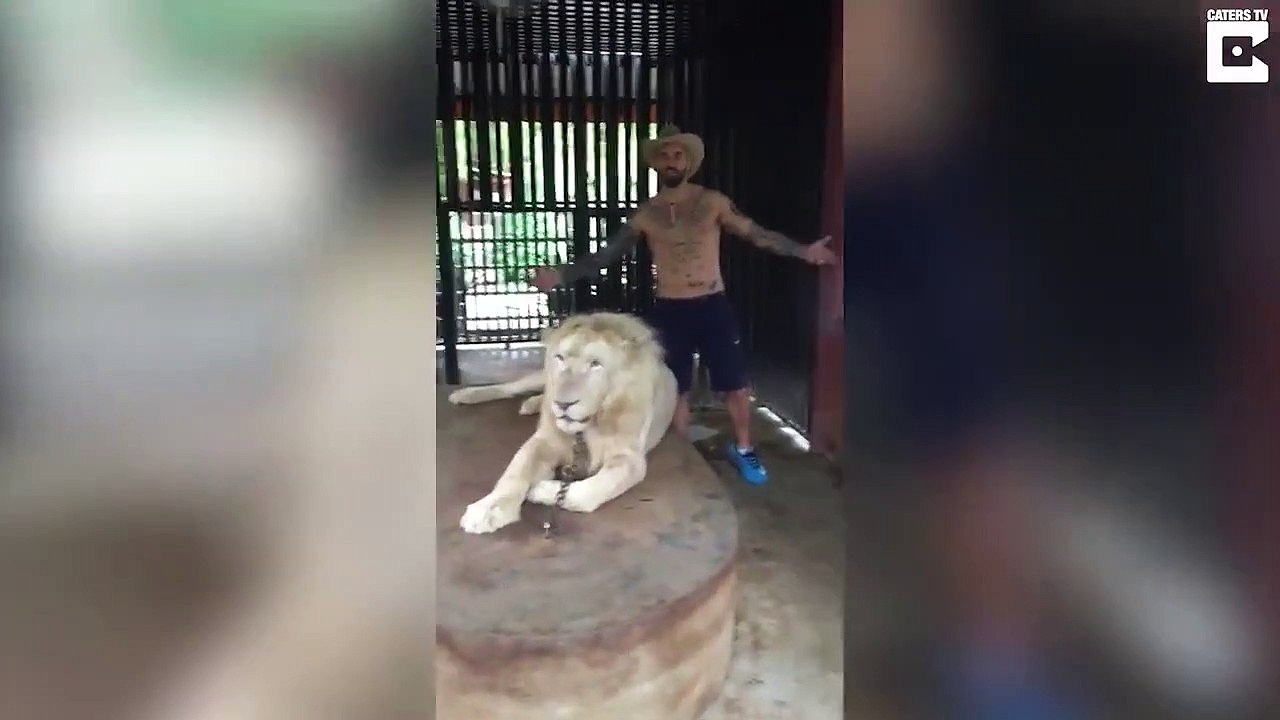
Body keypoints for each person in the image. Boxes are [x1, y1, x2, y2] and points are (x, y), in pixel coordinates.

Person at [530, 125, 837, 484]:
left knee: (735, 384)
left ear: (688, 162)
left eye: (677, 155)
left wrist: (805, 251)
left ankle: (744, 449)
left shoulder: (712, 202)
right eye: (664, 156)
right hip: (671, 309)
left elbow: (757, 234)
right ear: (656, 165)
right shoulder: (647, 214)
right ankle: (681, 454)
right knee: (675, 386)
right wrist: (561, 276)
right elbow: (606, 255)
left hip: (711, 304)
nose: (671, 161)